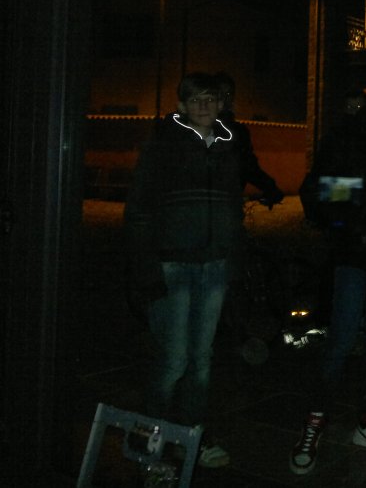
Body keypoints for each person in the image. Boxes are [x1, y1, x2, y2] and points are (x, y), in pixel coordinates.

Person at [289, 64, 366, 476]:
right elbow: (320, 188)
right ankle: (315, 421)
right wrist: (353, 214)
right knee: (341, 341)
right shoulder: (349, 133)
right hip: (352, 257)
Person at [124, 72, 245, 469]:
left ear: (221, 104)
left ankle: (192, 436)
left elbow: (233, 208)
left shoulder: (228, 146)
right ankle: (151, 439)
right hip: (173, 266)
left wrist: (233, 259)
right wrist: (145, 270)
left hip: (214, 267)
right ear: (182, 106)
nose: (204, 106)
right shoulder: (163, 145)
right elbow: (139, 209)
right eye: (195, 99)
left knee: (202, 361)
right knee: (173, 359)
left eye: (210, 99)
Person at [213, 71, 284, 207]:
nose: (224, 99)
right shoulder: (195, 129)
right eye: (219, 93)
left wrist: (270, 186)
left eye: (228, 94)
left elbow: (249, 166)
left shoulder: (239, 131)